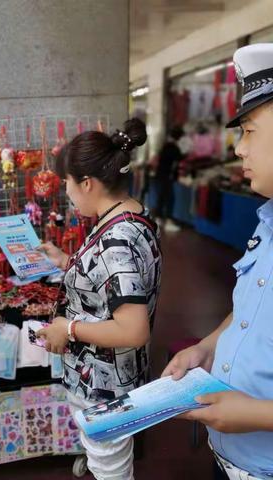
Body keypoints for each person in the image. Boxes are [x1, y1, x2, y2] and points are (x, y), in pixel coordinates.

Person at [163, 43, 273, 480]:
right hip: (230, 461)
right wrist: (207, 347)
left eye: (249, 131)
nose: (238, 149)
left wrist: (261, 415)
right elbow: (251, 310)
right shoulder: (268, 219)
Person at [37, 118, 162, 480]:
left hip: (105, 386)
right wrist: (67, 261)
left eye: (68, 184)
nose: (67, 192)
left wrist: (69, 328)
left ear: (87, 183)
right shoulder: (129, 214)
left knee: (110, 470)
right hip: (116, 377)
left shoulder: (116, 240)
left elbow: (133, 329)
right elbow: (116, 286)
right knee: (106, 461)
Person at [154, 125, 184, 232]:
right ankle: (168, 222)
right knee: (169, 199)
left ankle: (158, 219)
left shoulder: (165, 146)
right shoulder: (174, 148)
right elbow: (179, 159)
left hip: (160, 175)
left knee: (161, 198)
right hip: (166, 177)